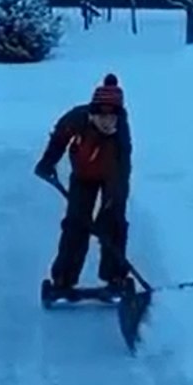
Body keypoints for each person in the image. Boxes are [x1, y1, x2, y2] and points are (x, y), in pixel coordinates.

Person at [34, 73, 133, 294]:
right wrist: (48, 162)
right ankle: (63, 278)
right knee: (75, 224)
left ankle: (115, 275)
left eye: (112, 117)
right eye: (101, 115)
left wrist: (109, 204)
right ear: (92, 111)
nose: (106, 121)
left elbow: (121, 173)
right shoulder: (76, 118)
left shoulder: (120, 137)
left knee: (113, 223)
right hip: (83, 175)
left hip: (111, 177)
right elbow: (59, 138)